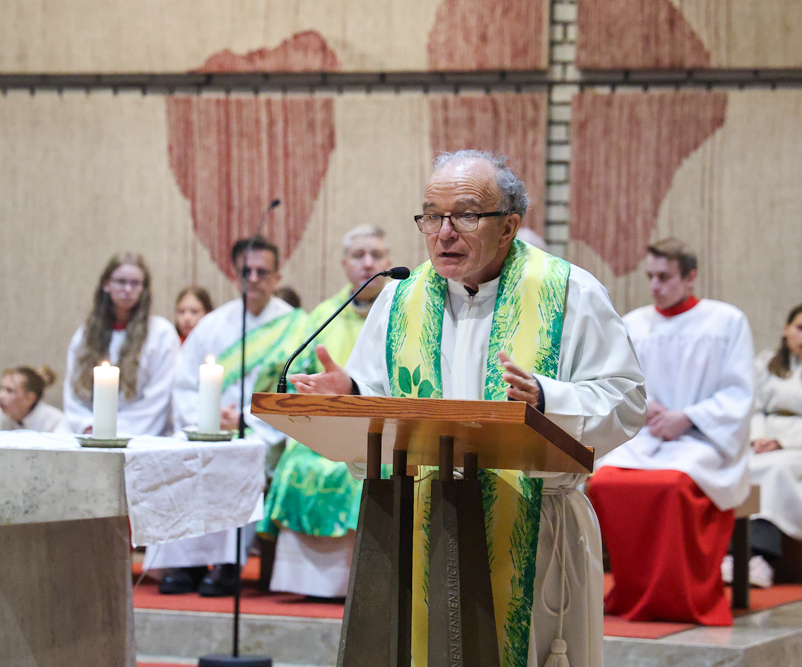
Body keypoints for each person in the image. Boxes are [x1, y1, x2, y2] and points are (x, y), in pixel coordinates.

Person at [287, 150, 646, 666]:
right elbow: (383, 400)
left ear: (509, 227)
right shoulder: (400, 299)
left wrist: (547, 399)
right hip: (419, 523)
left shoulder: (569, 293)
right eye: (432, 216)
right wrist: (352, 397)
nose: (444, 233)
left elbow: (626, 400)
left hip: (535, 528)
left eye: (466, 216)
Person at [589, 238, 754, 625]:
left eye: (664, 277)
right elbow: (617, 384)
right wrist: (643, 408)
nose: (655, 286)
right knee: (606, 480)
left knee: (674, 485)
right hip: (646, 436)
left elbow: (738, 393)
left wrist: (688, 417)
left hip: (702, 437)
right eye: (650, 276)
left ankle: (680, 596)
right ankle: (633, 589)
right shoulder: (634, 323)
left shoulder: (726, 322)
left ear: (691, 277)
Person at [150, 234, 302, 597]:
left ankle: (228, 563)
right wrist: (208, 416)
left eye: (262, 272)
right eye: (246, 271)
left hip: (263, 432)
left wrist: (246, 421)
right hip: (207, 426)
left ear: (277, 277)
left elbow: (297, 392)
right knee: (176, 456)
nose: (254, 279)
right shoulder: (213, 325)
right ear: (235, 275)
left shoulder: (296, 327)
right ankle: (184, 563)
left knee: (240, 458)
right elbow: (184, 384)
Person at [259, 225, 393, 598]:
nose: (368, 263)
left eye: (376, 255)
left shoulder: (400, 312)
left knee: (360, 471)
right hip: (326, 430)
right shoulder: (325, 314)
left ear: (389, 262)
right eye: (359, 255)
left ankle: (364, 583)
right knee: (296, 464)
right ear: (344, 264)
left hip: (382, 432)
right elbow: (299, 374)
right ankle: (305, 581)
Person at [60, 253, 179, 437]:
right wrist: (88, 426)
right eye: (121, 282)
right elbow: (72, 394)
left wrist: (115, 430)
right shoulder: (85, 335)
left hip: (138, 433)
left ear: (144, 289)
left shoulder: (161, 334)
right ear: (106, 285)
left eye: (135, 283)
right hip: (86, 431)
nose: (128, 289)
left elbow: (158, 397)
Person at [729, 303, 802, 587]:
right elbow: (752, 406)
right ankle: (732, 555)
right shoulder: (766, 363)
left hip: (795, 446)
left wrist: (783, 442)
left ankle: (760, 556)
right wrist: (758, 437)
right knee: (741, 466)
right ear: (785, 330)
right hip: (764, 437)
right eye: (799, 328)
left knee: (775, 470)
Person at [0, 366, 63, 432]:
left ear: (30, 399)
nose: (0, 396)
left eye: (9, 391)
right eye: (1, 389)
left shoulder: (55, 422)